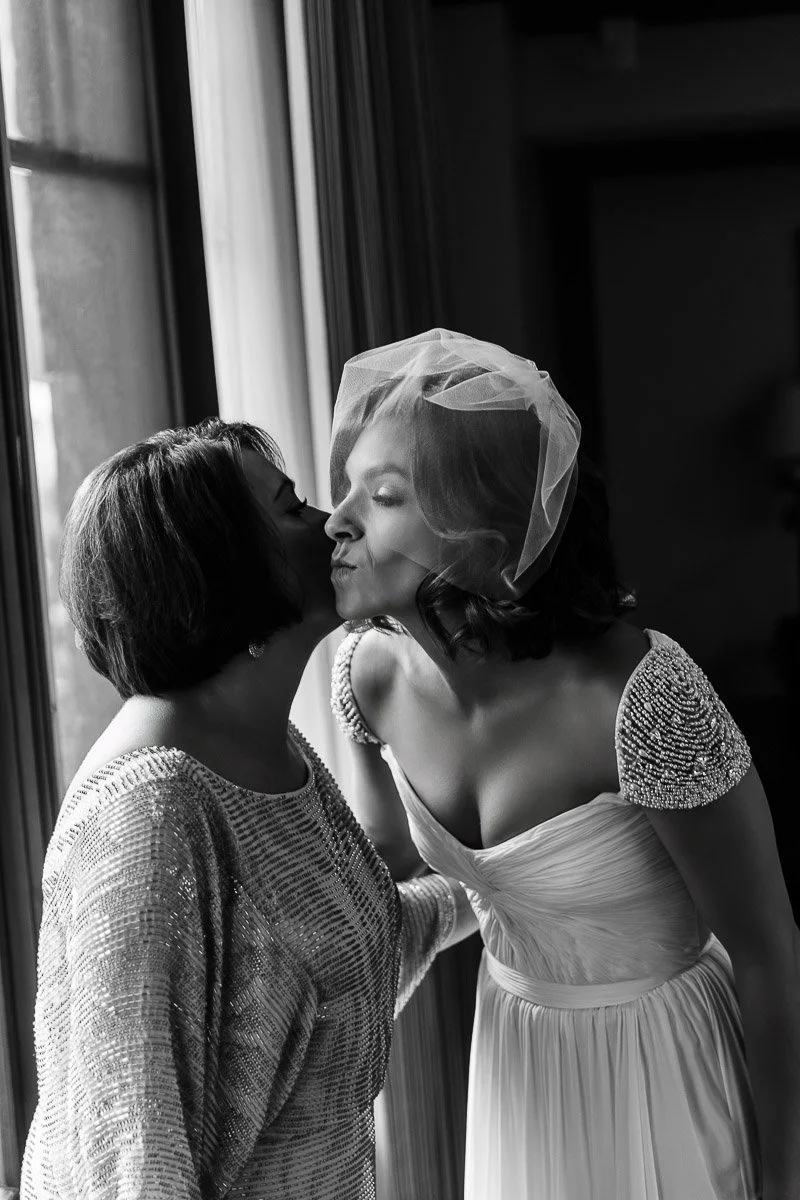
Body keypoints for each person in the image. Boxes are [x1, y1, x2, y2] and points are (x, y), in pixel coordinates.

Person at [326, 328, 800, 1200]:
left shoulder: (639, 697)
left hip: (663, 1070)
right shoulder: (369, 676)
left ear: (482, 535)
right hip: (517, 1066)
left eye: (382, 495)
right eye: (346, 488)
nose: (338, 520)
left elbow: (770, 950)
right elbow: (375, 871)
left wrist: (785, 1183)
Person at [21, 416, 473, 1200]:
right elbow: (131, 1171)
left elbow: (347, 954)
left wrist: (506, 883)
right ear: (224, 574)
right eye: (293, 508)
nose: (333, 523)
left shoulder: (268, 744)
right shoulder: (148, 818)